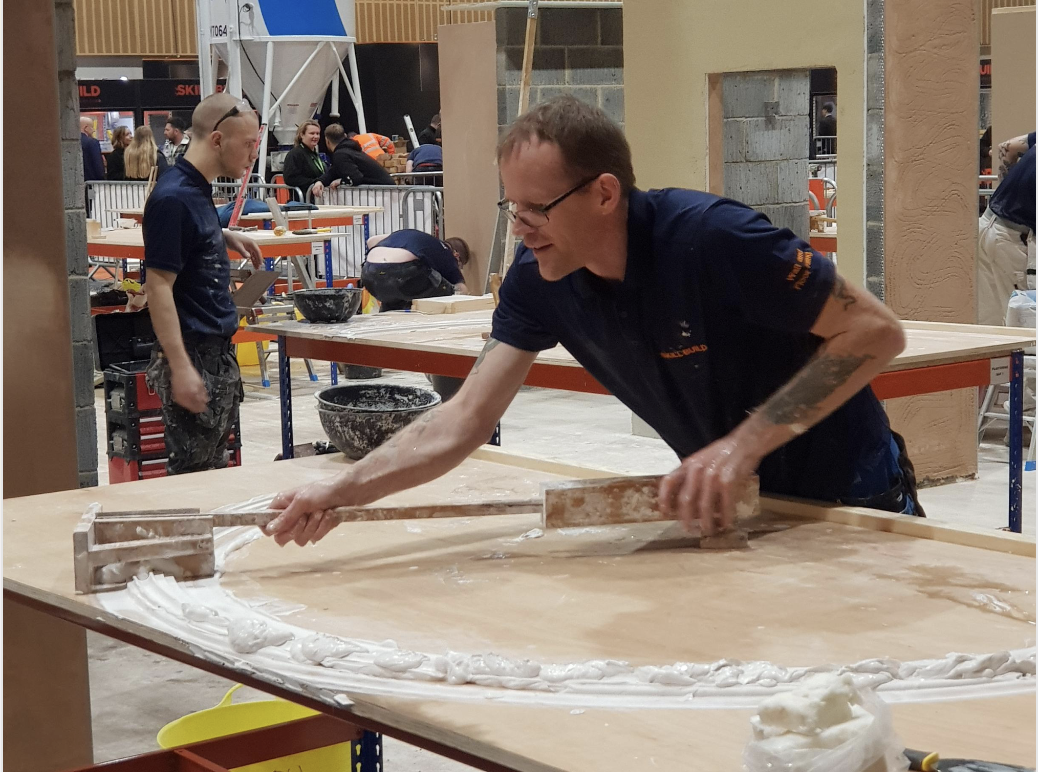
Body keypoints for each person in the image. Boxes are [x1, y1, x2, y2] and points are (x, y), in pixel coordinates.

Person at [264, 95, 922, 548]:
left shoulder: (714, 240)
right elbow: (463, 420)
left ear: (604, 193)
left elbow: (874, 332)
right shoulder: (537, 279)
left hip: (852, 495)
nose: (520, 227)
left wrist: (740, 447)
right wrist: (343, 490)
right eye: (511, 207)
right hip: (735, 508)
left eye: (536, 208)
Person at [142, 93, 264, 475]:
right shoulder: (174, 198)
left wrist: (222, 235)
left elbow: (187, 238)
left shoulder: (195, 188)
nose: (253, 155)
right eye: (248, 144)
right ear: (216, 140)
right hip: (195, 354)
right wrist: (181, 368)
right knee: (194, 481)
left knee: (212, 473)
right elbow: (157, 285)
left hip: (213, 354)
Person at [977, 131, 1035, 325]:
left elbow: (1005, 148)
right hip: (1008, 238)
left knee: (990, 321)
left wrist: (1005, 198)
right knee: (1022, 318)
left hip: (987, 223)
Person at [361, 230, 470, 311]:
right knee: (448, 290)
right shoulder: (446, 252)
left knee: (395, 300)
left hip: (369, 274)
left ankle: (389, 319)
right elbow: (461, 289)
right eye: (460, 265)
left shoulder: (416, 237)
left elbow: (371, 241)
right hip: (400, 273)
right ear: (457, 255)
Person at [319, 123, 394, 187]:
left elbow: (355, 178)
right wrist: (320, 182)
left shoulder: (341, 155)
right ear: (345, 136)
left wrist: (341, 182)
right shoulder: (351, 150)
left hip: (381, 194)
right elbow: (334, 171)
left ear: (327, 140)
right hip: (387, 191)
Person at [282, 120, 333, 200]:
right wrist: (314, 182)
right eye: (312, 133)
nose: (315, 136)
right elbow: (290, 178)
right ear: (302, 135)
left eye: (317, 133)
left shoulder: (315, 154)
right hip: (302, 202)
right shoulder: (295, 154)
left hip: (317, 200)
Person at [81, 117, 105, 214]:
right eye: (92, 127)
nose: (94, 130)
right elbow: (97, 166)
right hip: (91, 185)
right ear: (86, 128)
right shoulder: (92, 142)